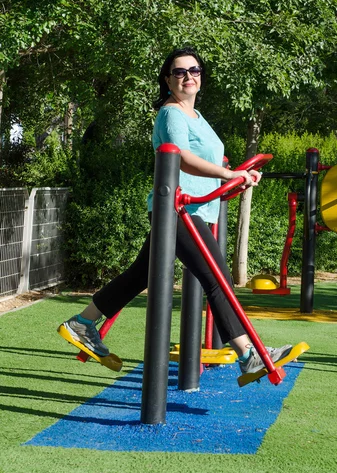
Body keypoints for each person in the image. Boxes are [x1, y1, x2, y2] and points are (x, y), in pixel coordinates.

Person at [59, 47, 292, 375]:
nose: (188, 77)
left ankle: (82, 322)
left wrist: (237, 178)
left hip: (193, 208)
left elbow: (208, 162)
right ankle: (248, 355)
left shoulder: (196, 116)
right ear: (168, 81)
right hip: (179, 211)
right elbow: (180, 157)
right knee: (217, 279)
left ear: (201, 77)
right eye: (180, 72)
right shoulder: (171, 113)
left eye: (194, 71)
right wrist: (228, 175)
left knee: (141, 273)